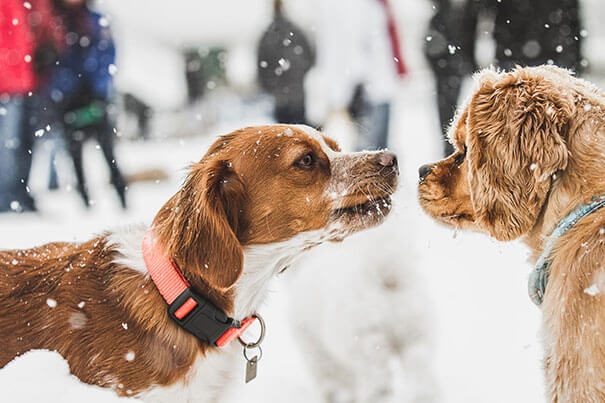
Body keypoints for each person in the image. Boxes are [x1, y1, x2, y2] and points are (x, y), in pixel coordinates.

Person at [425, 0, 583, 157]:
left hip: (528, 50)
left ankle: (538, 164)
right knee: (535, 124)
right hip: (533, 49)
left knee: (530, 124)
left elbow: (478, 9)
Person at [48, 0, 127, 208]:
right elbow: (55, 63)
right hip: (68, 98)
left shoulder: (97, 21)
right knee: (74, 154)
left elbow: (107, 55)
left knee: (108, 151)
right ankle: (84, 200)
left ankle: (122, 197)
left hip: (94, 96)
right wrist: (65, 92)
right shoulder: (55, 22)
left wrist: (98, 91)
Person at [306, 0, 406, 151]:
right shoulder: (352, 6)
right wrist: (341, 94)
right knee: (370, 154)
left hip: (377, 86)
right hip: (367, 89)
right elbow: (343, 49)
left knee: (378, 153)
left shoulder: (372, 5)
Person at [0, 0, 64, 212]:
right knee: (8, 145)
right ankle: (7, 198)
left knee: (22, 144)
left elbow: (47, 26)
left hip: (28, 81)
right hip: (9, 82)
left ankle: (17, 195)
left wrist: (50, 47)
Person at [257, 0, 314, 125]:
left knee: (285, 135)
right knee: (300, 132)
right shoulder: (296, 32)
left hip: (282, 98)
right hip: (297, 96)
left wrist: (271, 87)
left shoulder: (268, 35)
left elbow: (261, 69)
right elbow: (310, 59)